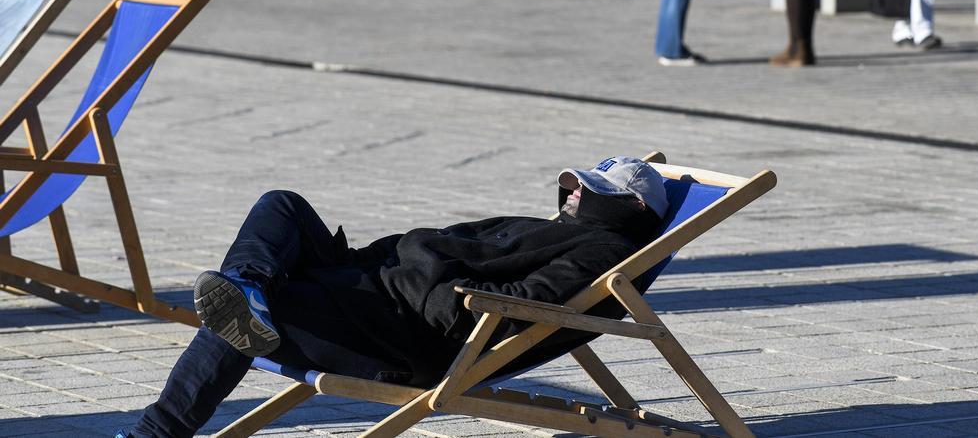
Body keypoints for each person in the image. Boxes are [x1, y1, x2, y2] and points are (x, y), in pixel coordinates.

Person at [116, 157, 669, 438]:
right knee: (280, 204)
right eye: (575, 184)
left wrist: (415, 280)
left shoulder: (603, 251)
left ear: (633, 211)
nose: (573, 191)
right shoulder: (556, 228)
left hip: (401, 333)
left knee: (244, 315)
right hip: (372, 287)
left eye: (591, 191)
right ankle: (250, 287)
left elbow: (513, 308)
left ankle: (157, 433)